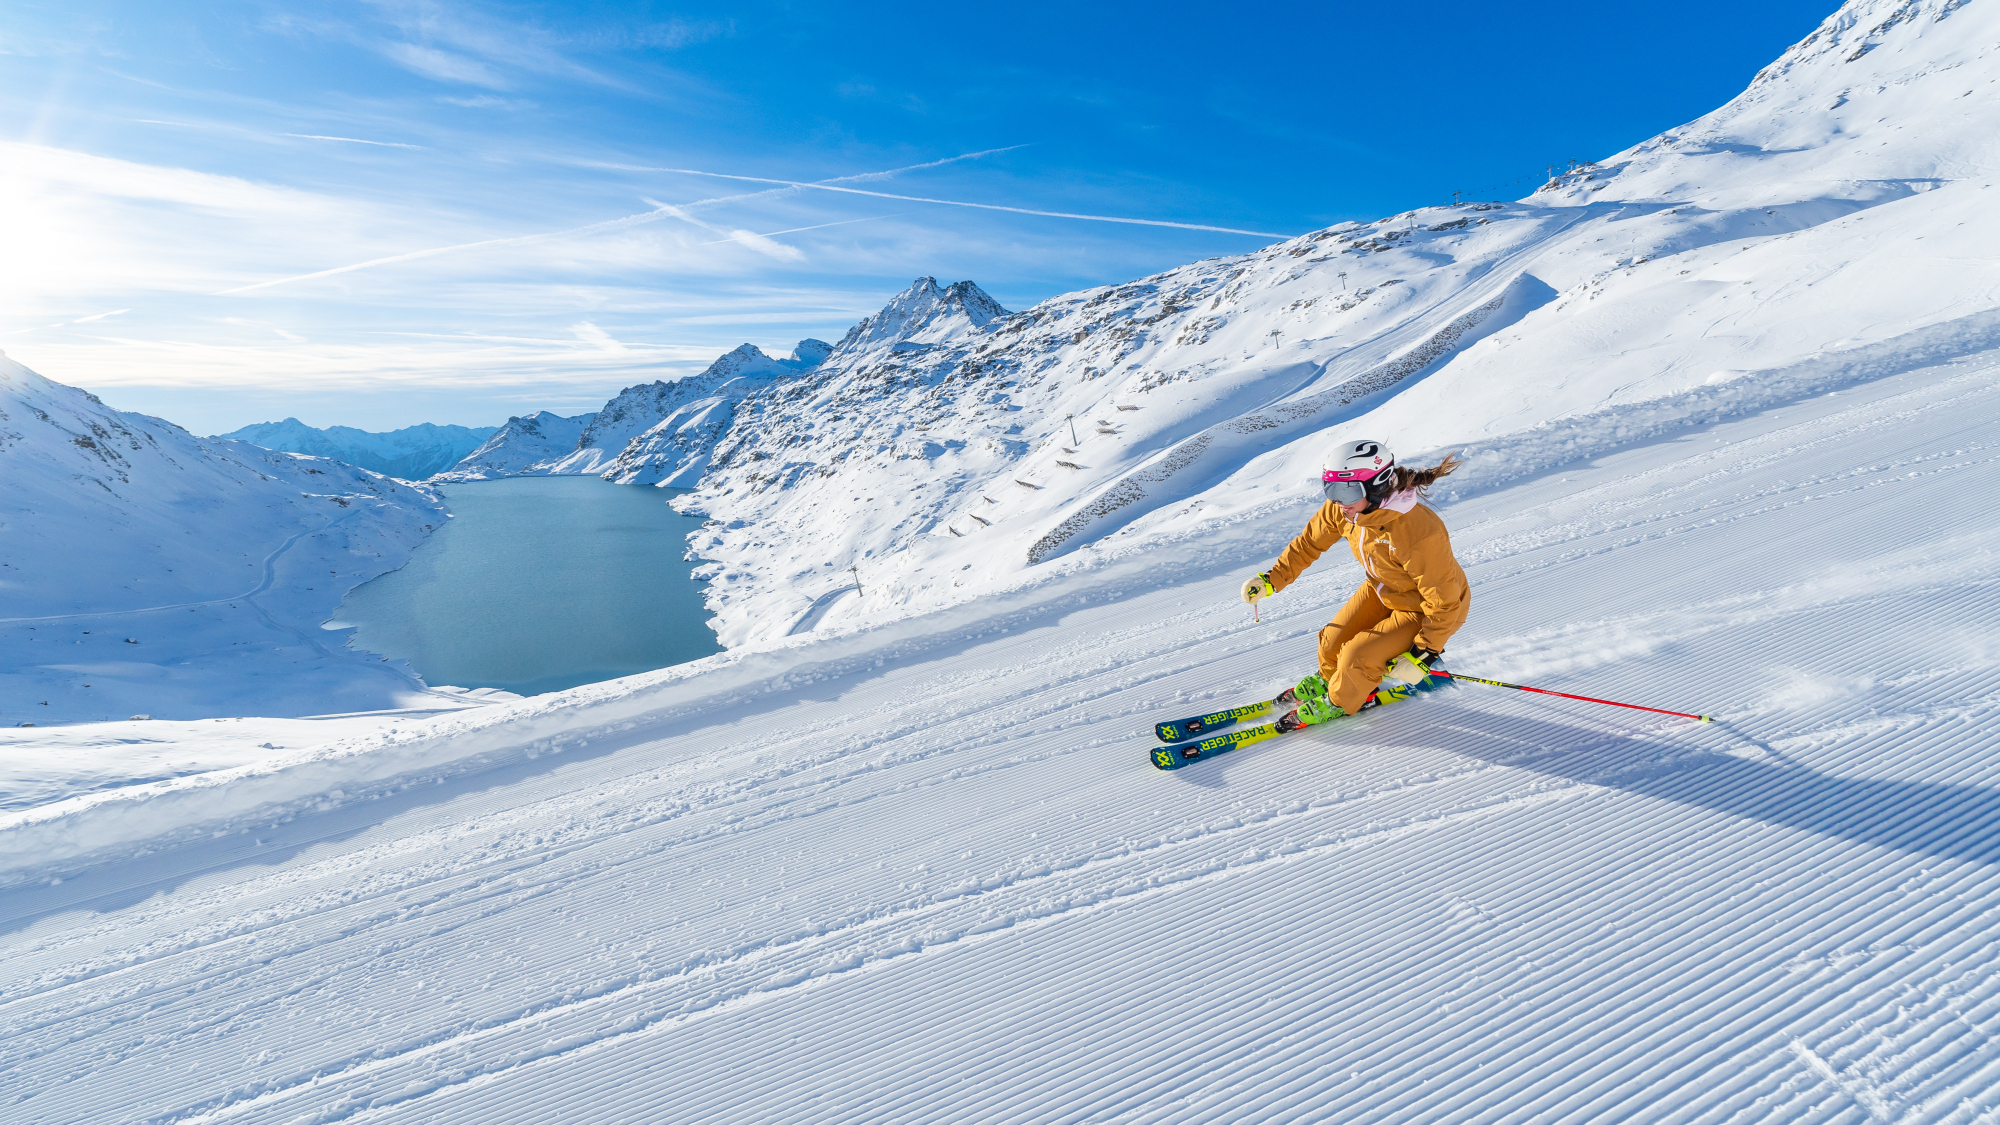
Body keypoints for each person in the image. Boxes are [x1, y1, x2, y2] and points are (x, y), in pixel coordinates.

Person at [1241, 439, 1469, 724]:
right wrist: (1273, 580)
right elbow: (1309, 543)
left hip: (1426, 609)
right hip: (1383, 589)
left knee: (1358, 655)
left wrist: (1424, 653)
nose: (1336, 501)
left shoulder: (1418, 530)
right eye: (1330, 489)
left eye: (1345, 491)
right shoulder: (1344, 510)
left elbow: (1444, 600)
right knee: (1332, 642)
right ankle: (1332, 681)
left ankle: (1340, 700)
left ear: (1377, 485)